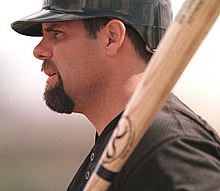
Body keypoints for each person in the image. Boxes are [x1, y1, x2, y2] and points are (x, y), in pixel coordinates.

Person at [11, 0, 220, 190]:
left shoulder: (169, 146)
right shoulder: (117, 142)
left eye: (56, 33)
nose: (39, 50)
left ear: (111, 38)